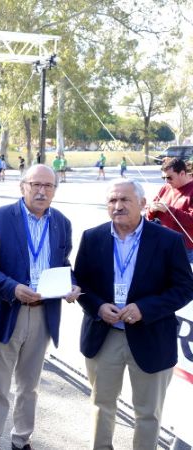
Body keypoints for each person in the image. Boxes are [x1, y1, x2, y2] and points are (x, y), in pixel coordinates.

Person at [75, 178, 193, 449]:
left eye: (125, 200)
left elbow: (185, 287)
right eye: (112, 201)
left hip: (151, 335)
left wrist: (145, 309)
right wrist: (97, 306)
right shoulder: (92, 237)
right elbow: (81, 282)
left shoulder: (169, 240)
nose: (118, 206)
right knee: (102, 405)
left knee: (148, 413)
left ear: (142, 203)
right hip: (104, 336)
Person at [0, 165, 81, 450]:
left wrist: (71, 284)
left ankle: (22, 439)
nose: (42, 191)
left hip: (43, 314)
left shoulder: (61, 221)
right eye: (35, 184)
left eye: (49, 186)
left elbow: (63, 265)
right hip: (7, 312)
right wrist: (12, 287)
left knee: (30, 386)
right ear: (22, 186)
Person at [146, 158, 193, 262]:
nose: (166, 181)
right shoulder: (166, 187)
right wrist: (151, 210)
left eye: (169, 177)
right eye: (163, 178)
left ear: (182, 173)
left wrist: (168, 210)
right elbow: (149, 216)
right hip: (162, 244)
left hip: (184, 248)